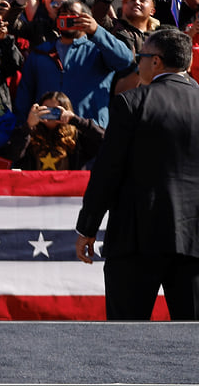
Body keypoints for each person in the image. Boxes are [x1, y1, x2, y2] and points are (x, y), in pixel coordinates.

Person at [76, 28, 199, 319]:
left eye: (141, 57)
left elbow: (108, 172)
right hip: (195, 240)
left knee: (125, 341)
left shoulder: (131, 102)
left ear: (155, 62)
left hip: (137, 238)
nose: (138, 63)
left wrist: (87, 228)